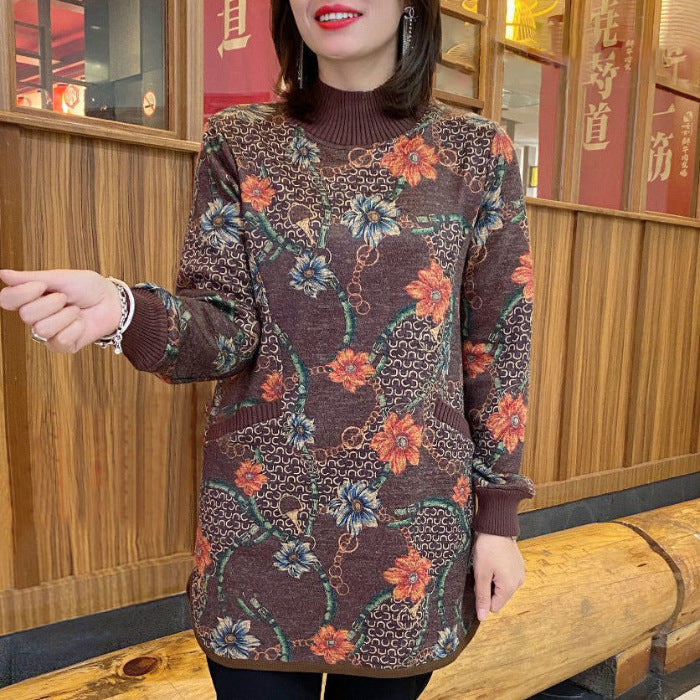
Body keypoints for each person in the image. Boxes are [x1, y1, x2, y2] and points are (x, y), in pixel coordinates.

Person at [0, 1, 537, 698]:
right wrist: (126, 312)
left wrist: (498, 521)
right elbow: (226, 329)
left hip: (408, 525)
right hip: (260, 521)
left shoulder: (476, 151)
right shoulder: (239, 140)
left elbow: (498, 344)